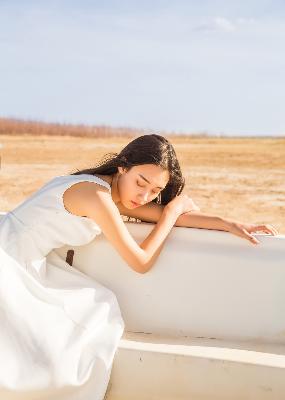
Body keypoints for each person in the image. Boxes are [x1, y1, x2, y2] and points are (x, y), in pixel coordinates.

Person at [0, 134, 278, 399]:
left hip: (21, 256)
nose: (144, 196)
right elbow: (141, 261)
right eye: (141, 183)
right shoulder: (96, 196)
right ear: (123, 166)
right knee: (72, 338)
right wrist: (171, 211)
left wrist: (230, 224)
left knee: (93, 309)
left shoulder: (109, 190)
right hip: (9, 259)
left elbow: (163, 216)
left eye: (155, 190)